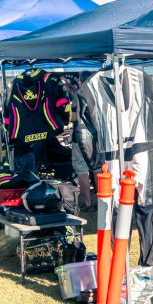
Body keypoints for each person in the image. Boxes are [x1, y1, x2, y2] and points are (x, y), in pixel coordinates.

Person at [66, 71, 97, 211]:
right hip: (96, 136)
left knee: (82, 170)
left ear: (80, 81)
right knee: (97, 169)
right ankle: (102, 200)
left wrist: (64, 113)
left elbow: (74, 116)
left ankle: (88, 203)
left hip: (80, 136)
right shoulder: (97, 93)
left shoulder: (80, 94)